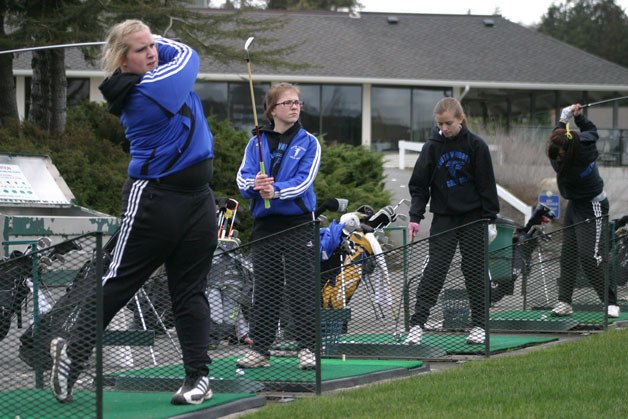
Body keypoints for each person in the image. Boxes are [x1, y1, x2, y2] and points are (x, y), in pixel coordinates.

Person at [49, 20, 217, 405]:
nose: (153, 53)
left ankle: (198, 378)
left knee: (191, 291)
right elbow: (189, 55)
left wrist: (143, 39)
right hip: (155, 201)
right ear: (124, 61)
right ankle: (73, 357)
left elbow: (174, 57)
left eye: (152, 47)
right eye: (142, 50)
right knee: (118, 282)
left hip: (198, 198)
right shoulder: (147, 90)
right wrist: (158, 38)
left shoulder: (156, 76)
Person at [236, 82, 321, 369]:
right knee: (265, 288)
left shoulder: (309, 142)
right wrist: (255, 185)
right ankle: (260, 349)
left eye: (297, 102)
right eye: (288, 103)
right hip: (265, 224)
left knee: (301, 286)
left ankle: (308, 348)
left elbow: (304, 181)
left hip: (298, 223)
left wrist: (277, 191)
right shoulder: (256, 142)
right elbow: (243, 178)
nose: (295, 106)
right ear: (272, 109)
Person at [405, 97, 499, 345]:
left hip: (473, 217)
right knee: (434, 270)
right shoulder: (432, 147)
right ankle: (417, 325)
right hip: (444, 217)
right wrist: (415, 216)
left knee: (474, 271)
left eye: (448, 123)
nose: (443, 129)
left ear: (460, 119)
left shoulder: (476, 146)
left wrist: (490, 219)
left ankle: (479, 325)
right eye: (440, 124)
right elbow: (419, 185)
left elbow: (487, 185)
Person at [546, 104, 619, 318]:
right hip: (575, 205)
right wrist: (578, 119)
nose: (556, 158)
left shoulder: (568, 167)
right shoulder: (582, 141)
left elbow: (557, 145)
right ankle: (564, 302)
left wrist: (562, 120)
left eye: (559, 155)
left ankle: (610, 301)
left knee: (589, 257)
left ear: (567, 154)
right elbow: (592, 130)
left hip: (593, 204)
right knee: (568, 254)